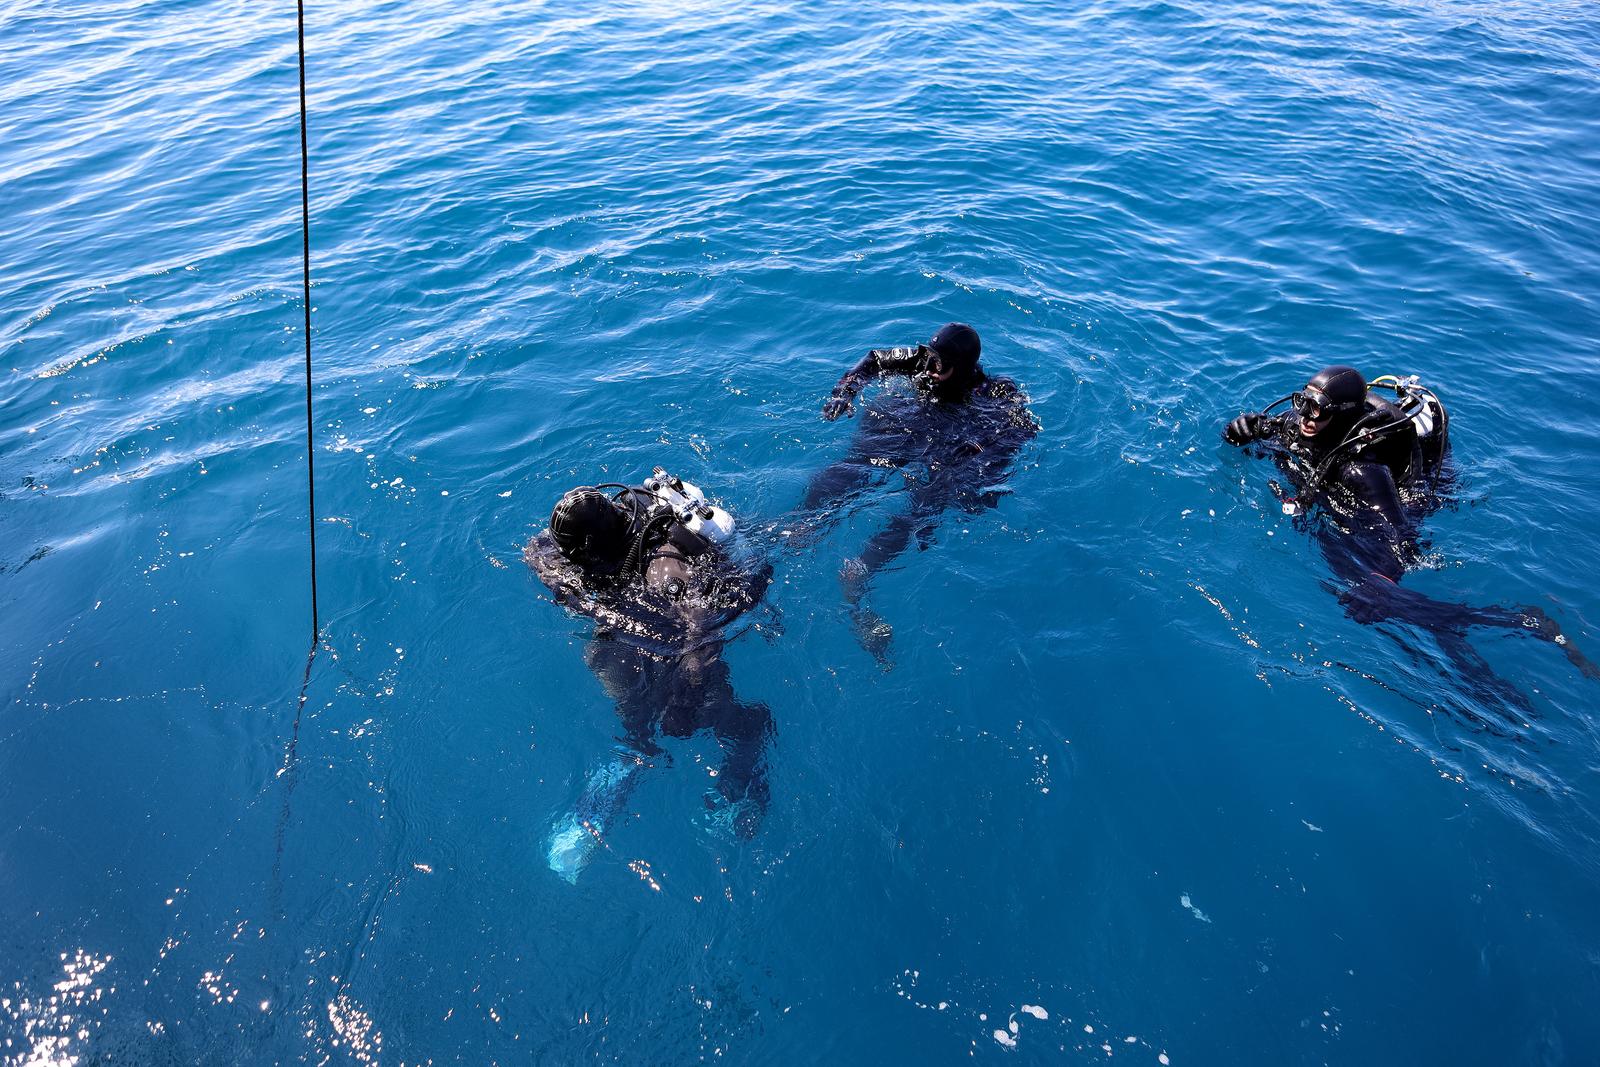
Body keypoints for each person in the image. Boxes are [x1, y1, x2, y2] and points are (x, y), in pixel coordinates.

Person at [1223, 365, 1595, 729]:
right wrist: (1241, 430)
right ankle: (1473, 635)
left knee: (1372, 595)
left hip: (1402, 504)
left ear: (1342, 416)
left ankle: (1510, 624)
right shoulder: (1300, 423)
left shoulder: (1363, 472)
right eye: (1302, 402)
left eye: (1318, 410)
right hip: (1340, 505)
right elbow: (1262, 433)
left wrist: (1383, 578)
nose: (1306, 416)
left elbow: (1400, 536)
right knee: (1358, 588)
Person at [525, 470, 773, 882]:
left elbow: (701, 640)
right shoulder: (608, 526)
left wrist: (684, 701)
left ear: (595, 545)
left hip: (697, 619)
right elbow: (537, 551)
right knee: (605, 658)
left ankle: (745, 731)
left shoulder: (666, 572)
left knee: (695, 700)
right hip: (650, 610)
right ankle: (634, 743)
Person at [796, 323, 1038, 665]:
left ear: (961, 368)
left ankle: (862, 570)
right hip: (912, 425)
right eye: (930, 357)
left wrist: (979, 446)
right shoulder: (921, 361)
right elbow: (873, 360)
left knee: (929, 500)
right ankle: (803, 523)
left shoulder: (995, 391)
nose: (929, 368)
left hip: (952, 439)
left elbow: (1022, 426)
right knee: (850, 467)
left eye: (940, 364)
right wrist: (844, 391)